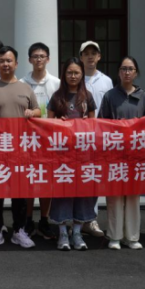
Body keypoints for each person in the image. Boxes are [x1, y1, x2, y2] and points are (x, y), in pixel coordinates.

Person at [0, 46, 39, 250]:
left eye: (9, 60)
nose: (5, 64)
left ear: (16, 64)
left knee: (20, 192)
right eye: (2, 60)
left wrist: (33, 113)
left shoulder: (26, 88)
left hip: (20, 150)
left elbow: (38, 110)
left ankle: (19, 230)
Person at [99, 56, 145, 250]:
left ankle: (132, 237)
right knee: (114, 197)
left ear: (136, 73)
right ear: (118, 72)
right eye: (123, 69)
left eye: (130, 69)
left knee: (132, 197)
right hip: (114, 154)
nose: (127, 72)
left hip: (135, 155)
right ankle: (114, 236)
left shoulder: (144, 96)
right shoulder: (110, 96)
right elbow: (101, 124)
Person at [47, 58, 97, 252]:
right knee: (63, 192)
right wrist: (58, 123)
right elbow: (48, 125)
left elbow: (94, 126)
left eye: (76, 72)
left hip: (82, 155)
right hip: (62, 155)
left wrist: (84, 123)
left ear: (82, 74)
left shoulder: (87, 96)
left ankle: (77, 232)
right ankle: (62, 233)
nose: (73, 76)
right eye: (69, 72)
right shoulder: (56, 97)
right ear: (64, 74)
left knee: (81, 193)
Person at [21, 42, 60, 240]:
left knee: (46, 182)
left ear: (48, 59)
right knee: (29, 181)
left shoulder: (56, 83)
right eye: (35, 56)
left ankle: (44, 220)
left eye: (42, 56)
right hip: (27, 140)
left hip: (49, 140)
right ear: (29, 59)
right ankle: (28, 220)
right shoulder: (22, 83)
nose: (38, 60)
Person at [79, 41, 112, 239]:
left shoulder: (106, 81)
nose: (90, 56)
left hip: (99, 136)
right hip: (78, 137)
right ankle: (77, 219)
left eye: (94, 53)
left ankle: (91, 218)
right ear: (81, 57)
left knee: (94, 178)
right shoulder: (74, 77)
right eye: (86, 53)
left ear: (99, 56)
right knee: (78, 177)